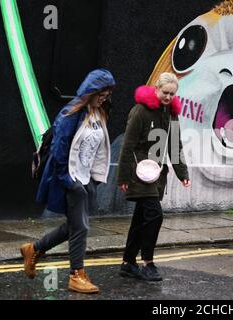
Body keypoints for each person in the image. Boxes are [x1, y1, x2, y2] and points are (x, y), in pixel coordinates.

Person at [20, 68, 115, 294]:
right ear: (90, 89)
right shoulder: (71, 112)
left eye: (108, 92)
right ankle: (76, 275)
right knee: (80, 226)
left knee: (73, 226)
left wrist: (94, 179)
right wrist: (67, 179)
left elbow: (98, 149)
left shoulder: (98, 114)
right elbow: (59, 147)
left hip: (86, 179)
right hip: (72, 178)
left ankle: (33, 249)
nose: (105, 96)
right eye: (101, 91)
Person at [117, 72, 190, 281]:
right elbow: (127, 146)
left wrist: (182, 173)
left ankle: (128, 262)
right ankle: (148, 262)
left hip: (156, 175)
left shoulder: (171, 113)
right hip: (138, 173)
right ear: (156, 89)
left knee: (141, 218)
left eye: (172, 94)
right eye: (165, 92)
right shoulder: (140, 111)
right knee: (154, 215)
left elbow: (175, 145)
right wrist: (123, 177)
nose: (168, 97)